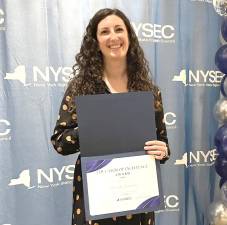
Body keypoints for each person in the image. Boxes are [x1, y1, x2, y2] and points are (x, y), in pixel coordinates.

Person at [51, 8, 170, 225]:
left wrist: (162, 151)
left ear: (129, 37)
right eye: (104, 32)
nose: (113, 37)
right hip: (96, 198)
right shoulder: (80, 88)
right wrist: (93, 126)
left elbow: (162, 144)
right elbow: (60, 142)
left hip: (138, 199)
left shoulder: (149, 92)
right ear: (95, 41)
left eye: (119, 29)